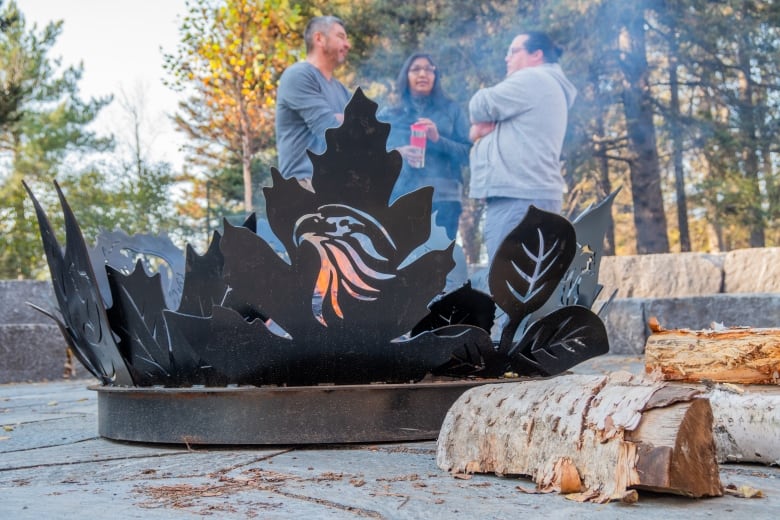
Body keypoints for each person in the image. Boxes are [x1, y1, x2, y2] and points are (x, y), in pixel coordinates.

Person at [468, 31, 577, 261]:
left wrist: (478, 128)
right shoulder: (545, 84)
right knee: (527, 284)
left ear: (536, 54)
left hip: (518, 199)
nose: (507, 58)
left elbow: (479, 105)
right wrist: (478, 131)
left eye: (513, 51)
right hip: (528, 196)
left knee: (508, 287)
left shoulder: (532, 78)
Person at [378, 53, 471, 240]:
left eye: (429, 69)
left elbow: (469, 155)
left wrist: (438, 139)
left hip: (444, 199)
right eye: (416, 69)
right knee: (402, 264)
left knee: (437, 264)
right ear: (406, 76)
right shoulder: (390, 114)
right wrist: (397, 153)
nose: (423, 74)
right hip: (401, 197)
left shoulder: (451, 110)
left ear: (436, 76)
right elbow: (369, 156)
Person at [275, 16, 352, 185]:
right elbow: (329, 130)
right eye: (340, 37)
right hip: (304, 188)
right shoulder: (298, 75)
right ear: (319, 38)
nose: (347, 45)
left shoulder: (342, 90)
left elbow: (365, 130)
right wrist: (349, 122)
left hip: (336, 187)